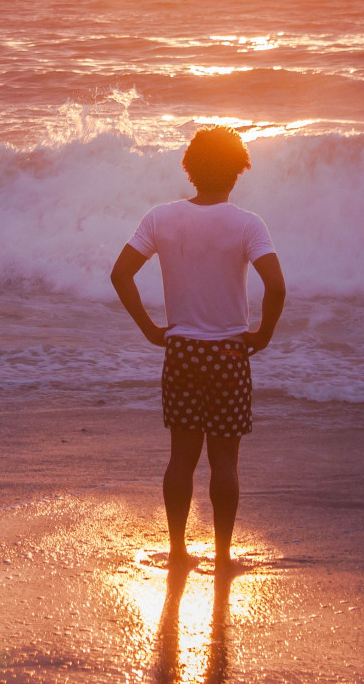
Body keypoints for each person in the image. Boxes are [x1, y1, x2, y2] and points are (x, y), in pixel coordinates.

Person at [110, 126, 286, 571]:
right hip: (229, 353)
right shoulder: (248, 223)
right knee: (224, 461)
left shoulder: (161, 218)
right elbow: (276, 287)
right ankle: (223, 557)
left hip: (182, 351)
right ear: (237, 171)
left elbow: (120, 274)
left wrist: (151, 329)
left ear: (189, 168)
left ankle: (177, 552)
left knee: (181, 458)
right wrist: (262, 335)